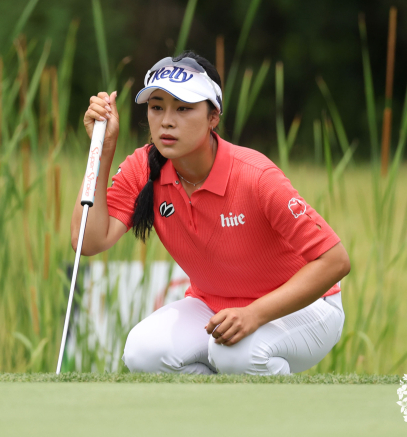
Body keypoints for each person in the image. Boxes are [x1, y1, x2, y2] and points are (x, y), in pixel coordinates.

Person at [71, 50, 350, 375]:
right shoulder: (143, 168)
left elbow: (335, 261)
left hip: (308, 308)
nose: (167, 121)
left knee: (237, 355)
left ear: (213, 116)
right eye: (157, 107)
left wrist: (255, 314)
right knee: (143, 352)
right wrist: (101, 153)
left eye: (184, 108)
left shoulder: (255, 176)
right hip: (213, 304)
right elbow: (87, 242)